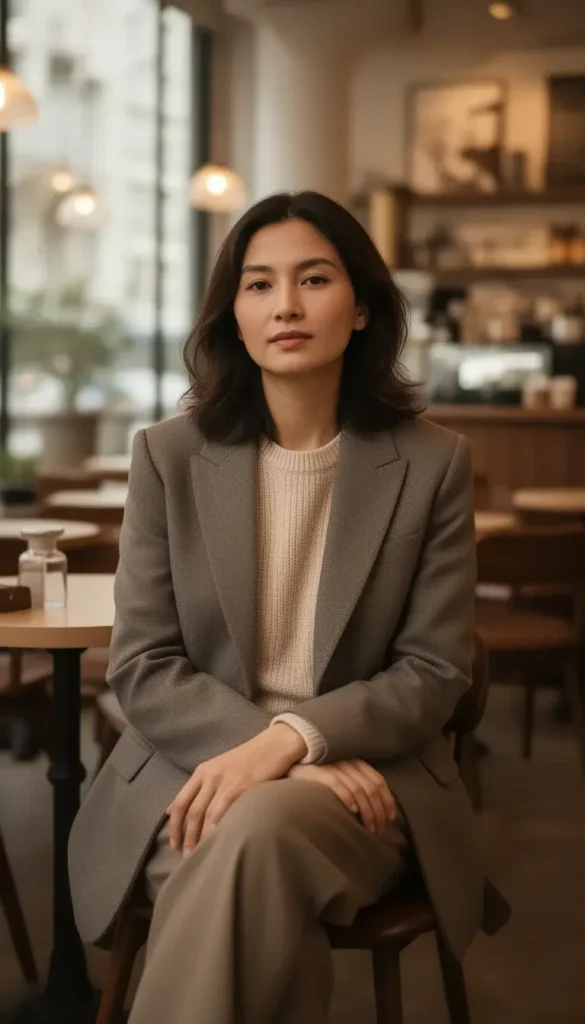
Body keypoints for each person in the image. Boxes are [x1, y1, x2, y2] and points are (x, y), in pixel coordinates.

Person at [69, 191, 506, 1023]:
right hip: (188, 775)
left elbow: (433, 671)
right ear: (232, 315)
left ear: (363, 306)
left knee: (255, 841)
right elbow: (143, 666)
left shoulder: (432, 462)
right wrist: (276, 752)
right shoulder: (168, 456)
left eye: (314, 279)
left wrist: (298, 742)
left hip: (366, 787)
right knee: (257, 875)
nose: (288, 306)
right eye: (259, 285)